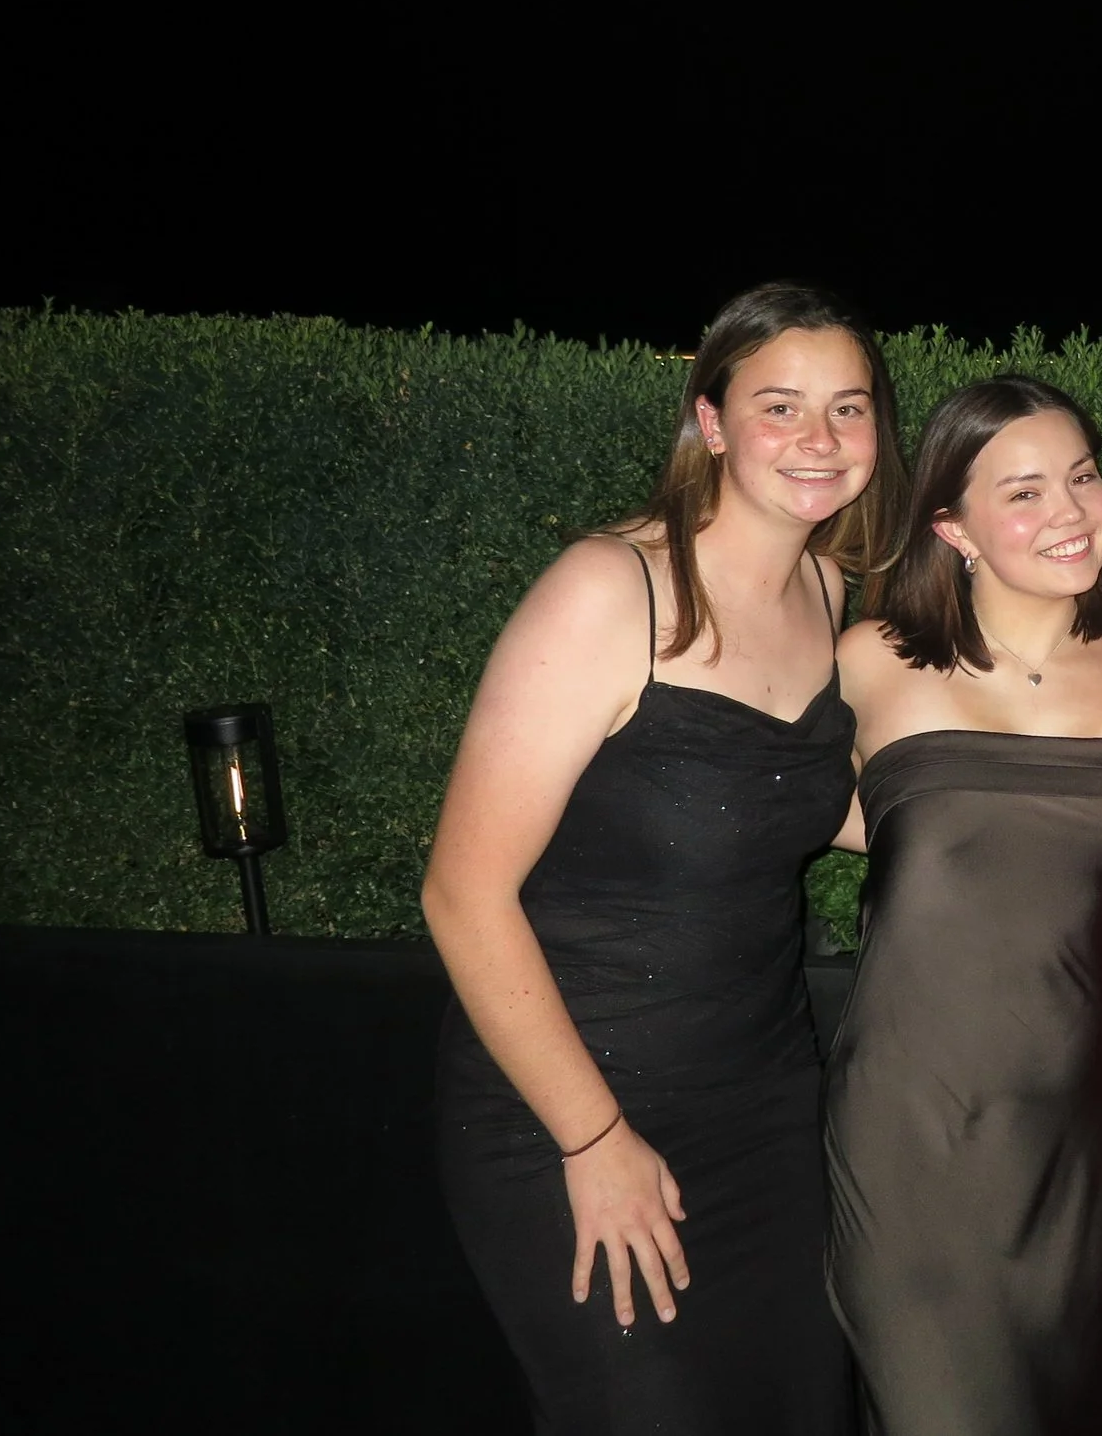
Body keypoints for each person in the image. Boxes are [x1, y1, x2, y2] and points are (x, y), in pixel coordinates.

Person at [425, 283, 904, 1436]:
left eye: (847, 409)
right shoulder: (610, 592)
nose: (819, 440)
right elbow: (461, 892)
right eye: (780, 406)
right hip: (569, 1107)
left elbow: (821, 803)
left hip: (765, 1109)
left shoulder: (831, 592)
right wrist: (593, 1140)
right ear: (711, 421)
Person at [825, 376, 1102, 1436]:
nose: (1070, 513)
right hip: (914, 1137)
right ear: (952, 525)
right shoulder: (867, 663)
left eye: (1081, 478)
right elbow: (748, 815)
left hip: (1093, 1136)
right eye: (1023, 492)